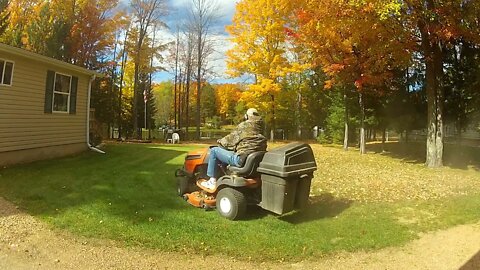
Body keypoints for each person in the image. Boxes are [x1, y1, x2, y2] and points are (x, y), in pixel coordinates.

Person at [200, 108, 267, 190]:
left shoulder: (244, 125)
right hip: (255, 160)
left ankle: (212, 181)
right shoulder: (262, 128)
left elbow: (230, 139)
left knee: (214, 151)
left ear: (246, 117)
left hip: (241, 160)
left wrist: (220, 141)